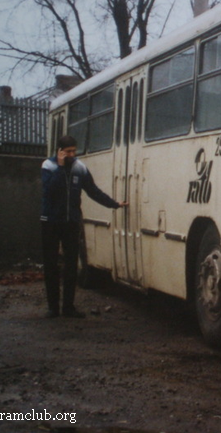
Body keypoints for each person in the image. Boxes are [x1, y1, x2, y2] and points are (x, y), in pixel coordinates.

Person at [40, 135, 127, 318]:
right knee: (51, 265)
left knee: (71, 265)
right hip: (50, 222)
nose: (73, 154)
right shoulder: (49, 166)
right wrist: (61, 167)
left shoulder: (80, 168)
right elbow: (50, 190)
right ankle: (52, 308)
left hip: (71, 222)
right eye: (68, 152)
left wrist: (114, 204)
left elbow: (93, 191)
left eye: (74, 151)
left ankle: (68, 307)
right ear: (60, 151)